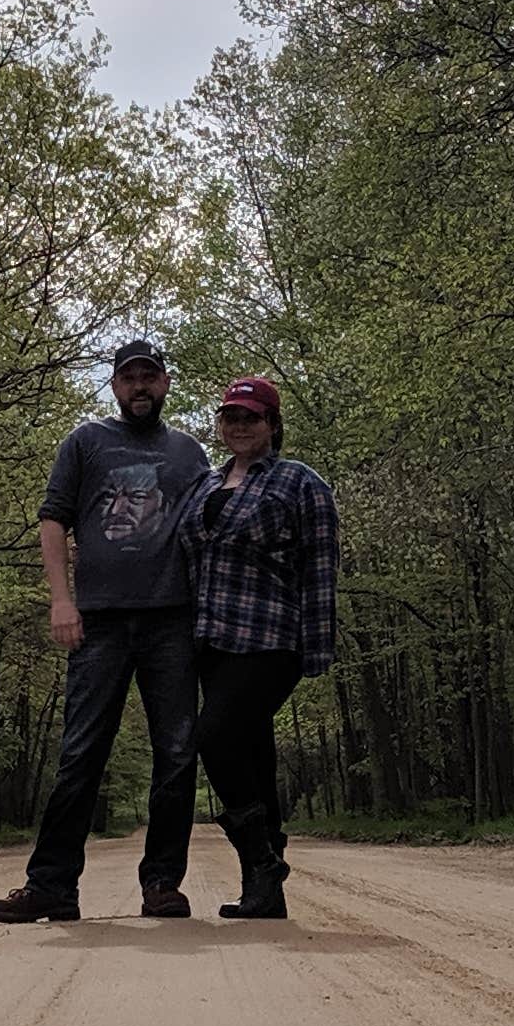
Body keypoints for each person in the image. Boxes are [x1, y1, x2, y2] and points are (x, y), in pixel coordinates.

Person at [0, 338, 209, 922]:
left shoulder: (190, 454)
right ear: (114, 386)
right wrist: (62, 601)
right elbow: (53, 519)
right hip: (100, 621)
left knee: (178, 755)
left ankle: (162, 883)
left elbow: (215, 531)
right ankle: (53, 886)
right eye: (129, 378)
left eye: (150, 377)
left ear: (164, 384)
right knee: (81, 752)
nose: (140, 386)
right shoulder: (85, 442)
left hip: (172, 622)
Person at [186, 374, 338, 920]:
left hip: (271, 638)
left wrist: (316, 648)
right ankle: (265, 888)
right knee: (252, 754)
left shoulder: (301, 482)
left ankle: (260, 859)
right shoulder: (205, 484)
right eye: (231, 417)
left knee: (214, 735)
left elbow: (322, 566)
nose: (240, 425)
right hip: (210, 640)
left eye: (252, 417)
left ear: (273, 424)